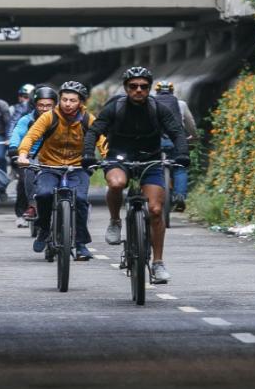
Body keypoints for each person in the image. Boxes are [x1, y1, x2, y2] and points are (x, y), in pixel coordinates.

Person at [81, 67, 189, 282]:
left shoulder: (158, 108)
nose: (138, 90)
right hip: (120, 157)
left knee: (157, 210)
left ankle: (158, 264)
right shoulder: (115, 107)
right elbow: (94, 130)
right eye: (133, 86)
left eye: (143, 87)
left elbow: (176, 132)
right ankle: (115, 221)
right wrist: (87, 154)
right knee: (116, 183)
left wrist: (183, 154)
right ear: (126, 88)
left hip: (151, 158)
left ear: (149, 88)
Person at [17, 81, 106, 260]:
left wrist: (107, 156)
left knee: (80, 199)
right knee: (43, 194)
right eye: (64, 99)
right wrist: (23, 154)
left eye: (72, 100)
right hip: (49, 166)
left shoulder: (88, 119)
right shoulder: (49, 117)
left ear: (81, 102)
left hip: (77, 167)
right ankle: (43, 228)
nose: (67, 104)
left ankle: (80, 244)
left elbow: (102, 139)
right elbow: (31, 136)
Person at [8, 86, 57, 228]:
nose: (45, 109)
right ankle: (33, 205)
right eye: (41, 105)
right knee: (27, 172)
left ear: (55, 105)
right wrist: (13, 148)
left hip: (57, 156)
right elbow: (17, 133)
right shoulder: (27, 120)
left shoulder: (62, 119)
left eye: (49, 105)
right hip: (33, 155)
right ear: (35, 105)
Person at [153, 81, 197, 211]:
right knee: (180, 168)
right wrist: (194, 136)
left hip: (156, 141)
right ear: (172, 92)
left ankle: (155, 196)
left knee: (153, 168)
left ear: (157, 92)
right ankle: (180, 196)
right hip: (176, 141)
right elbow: (190, 123)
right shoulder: (181, 104)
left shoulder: (151, 103)